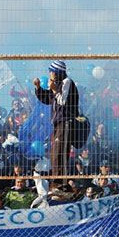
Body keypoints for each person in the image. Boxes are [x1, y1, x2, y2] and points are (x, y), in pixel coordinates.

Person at [34, 61, 79, 189]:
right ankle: (56, 183)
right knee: (55, 153)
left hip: (65, 122)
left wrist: (54, 88)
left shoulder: (67, 82)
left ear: (57, 72)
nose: (50, 74)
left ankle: (62, 184)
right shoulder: (57, 85)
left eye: (51, 72)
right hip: (57, 123)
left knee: (61, 153)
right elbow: (48, 99)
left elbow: (63, 100)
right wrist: (38, 88)